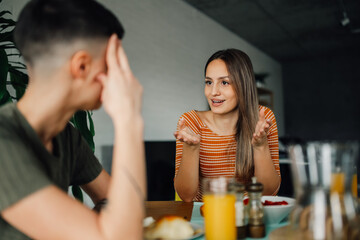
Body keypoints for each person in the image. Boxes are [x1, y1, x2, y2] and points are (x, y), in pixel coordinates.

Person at [0, 0, 145, 239]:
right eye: (112, 64)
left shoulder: (66, 136)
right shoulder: (4, 142)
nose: (120, 75)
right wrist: (128, 118)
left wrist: (96, 225)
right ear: (82, 66)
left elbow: (114, 200)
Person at [174, 49, 281, 202]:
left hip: (249, 216)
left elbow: (268, 193)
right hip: (207, 216)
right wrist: (191, 149)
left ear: (243, 85)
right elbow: (186, 196)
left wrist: (260, 147)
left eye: (224, 82)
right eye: (209, 82)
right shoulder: (191, 122)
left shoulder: (262, 118)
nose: (213, 92)